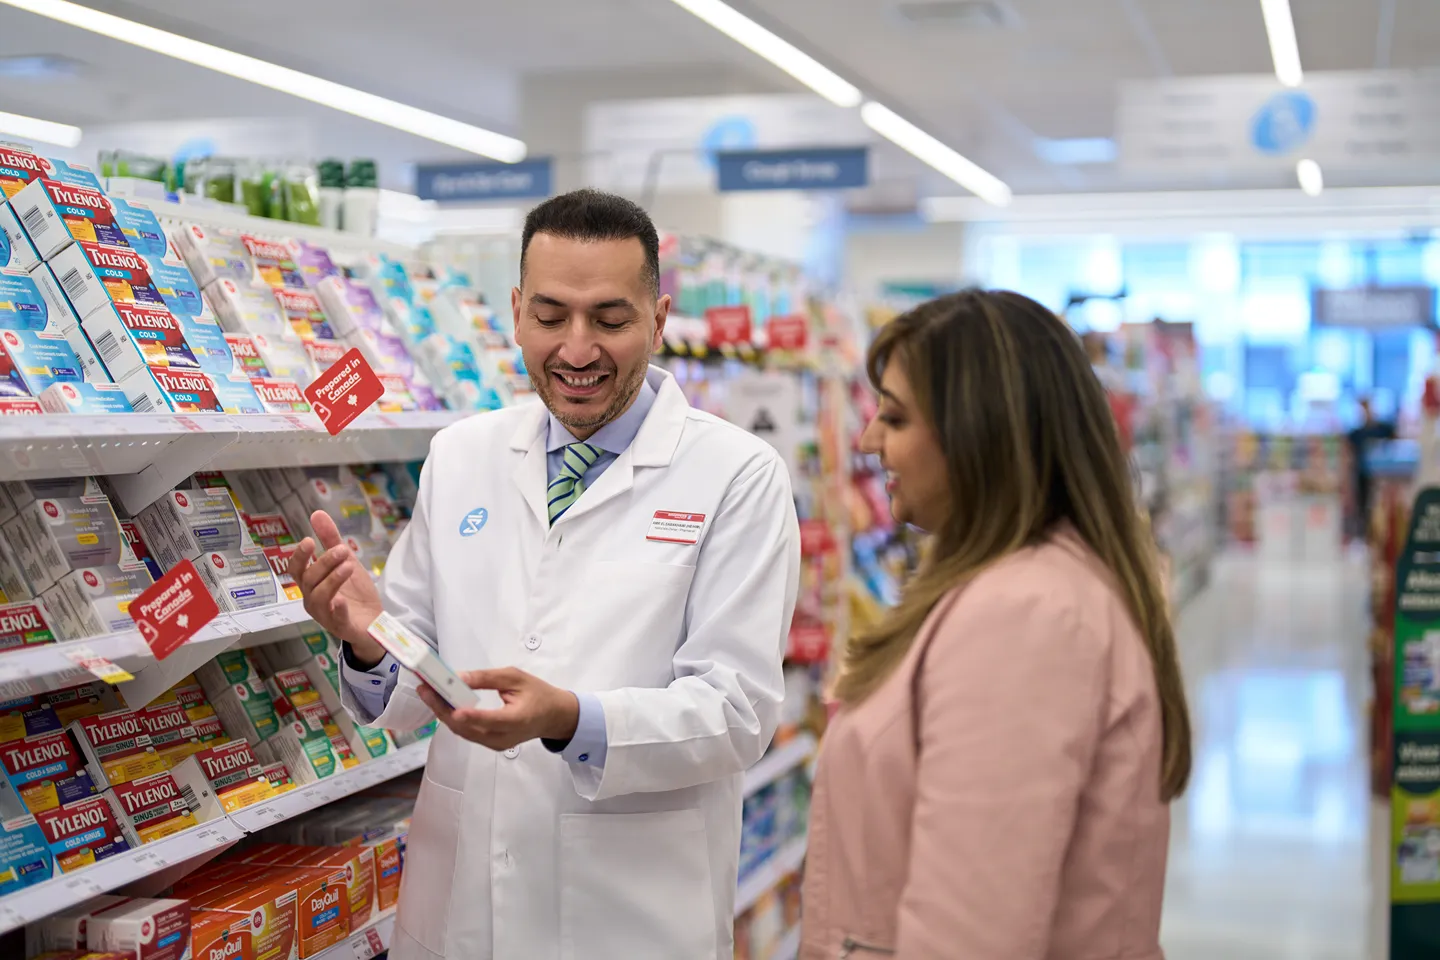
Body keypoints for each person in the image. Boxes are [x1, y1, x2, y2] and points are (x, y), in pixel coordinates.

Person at [289, 189, 801, 959]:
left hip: (629, 916)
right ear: (518, 312)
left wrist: (568, 717)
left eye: (611, 319)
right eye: (552, 315)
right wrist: (367, 642)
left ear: (659, 320)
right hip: (461, 906)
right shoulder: (462, 455)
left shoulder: (738, 475)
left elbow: (735, 712)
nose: (578, 349)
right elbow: (413, 678)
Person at [800, 290, 1191, 960]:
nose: (868, 440)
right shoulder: (1027, 585)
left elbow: (971, 933)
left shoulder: (1024, 618)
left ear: (976, 431)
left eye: (893, 417)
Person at [1347, 396, 1395, 540]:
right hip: (1363, 475)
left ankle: (1379, 539)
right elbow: (1349, 454)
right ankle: (1365, 538)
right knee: (1363, 508)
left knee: (1382, 510)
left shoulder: (1384, 429)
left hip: (1384, 477)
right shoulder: (1356, 433)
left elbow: (1397, 444)